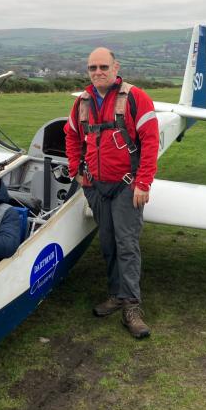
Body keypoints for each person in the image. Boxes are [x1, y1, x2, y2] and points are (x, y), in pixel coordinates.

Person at [65, 47, 160, 338]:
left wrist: (143, 182)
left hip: (126, 187)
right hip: (96, 186)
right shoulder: (82, 102)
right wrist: (76, 171)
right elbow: (71, 134)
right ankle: (116, 295)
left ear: (116, 67)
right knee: (108, 244)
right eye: (92, 68)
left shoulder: (135, 98)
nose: (98, 72)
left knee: (127, 245)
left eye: (103, 66)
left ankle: (132, 306)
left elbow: (150, 140)